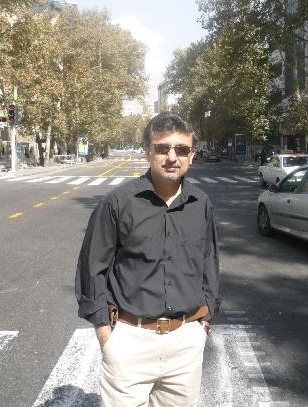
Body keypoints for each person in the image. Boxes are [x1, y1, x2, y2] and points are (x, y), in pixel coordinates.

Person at [75, 112, 221, 406]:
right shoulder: (118, 202)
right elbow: (92, 268)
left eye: (181, 149)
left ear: (192, 154)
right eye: (162, 148)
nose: (172, 157)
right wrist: (106, 334)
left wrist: (204, 322)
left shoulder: (201, 204)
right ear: (148, 152)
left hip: (186, 341)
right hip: (130, 340)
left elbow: (209, 262)